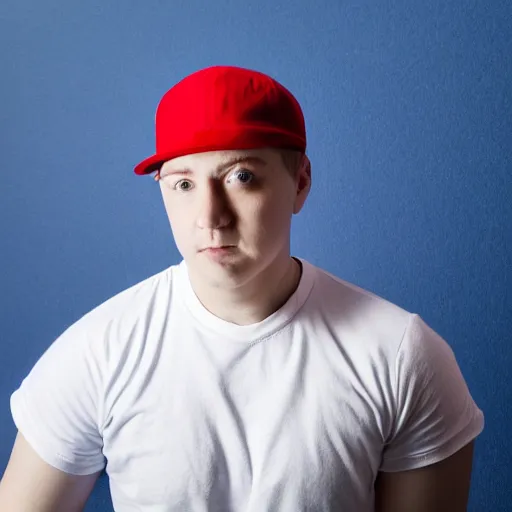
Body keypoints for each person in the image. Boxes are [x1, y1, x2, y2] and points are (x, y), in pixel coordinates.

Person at [0, 65, 484, 512]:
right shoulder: (98, 352)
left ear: (300, 182)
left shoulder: (402, 356)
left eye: (241, 177)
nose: (210, 217)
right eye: (183, 184)